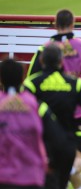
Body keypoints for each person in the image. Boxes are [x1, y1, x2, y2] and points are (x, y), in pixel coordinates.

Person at [27, 9, 81, 188]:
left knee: (54, 163)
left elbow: (30, 81)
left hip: (48, 116)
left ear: (55, 24)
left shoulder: (45, 49)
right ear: (73, 24)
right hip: (78, 114)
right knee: (75, 161)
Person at [24, 44, 81, 189]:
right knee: (62, 181)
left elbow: (24, 109)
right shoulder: (74, 83)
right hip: (67, 140)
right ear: (61, 61)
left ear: (41, 61)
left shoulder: (32, 83)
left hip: (42, 140)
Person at [0, 58, 73, 189]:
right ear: (23, 78)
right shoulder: (36, 106)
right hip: (31, 178)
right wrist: (53, 167)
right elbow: (61, 144)